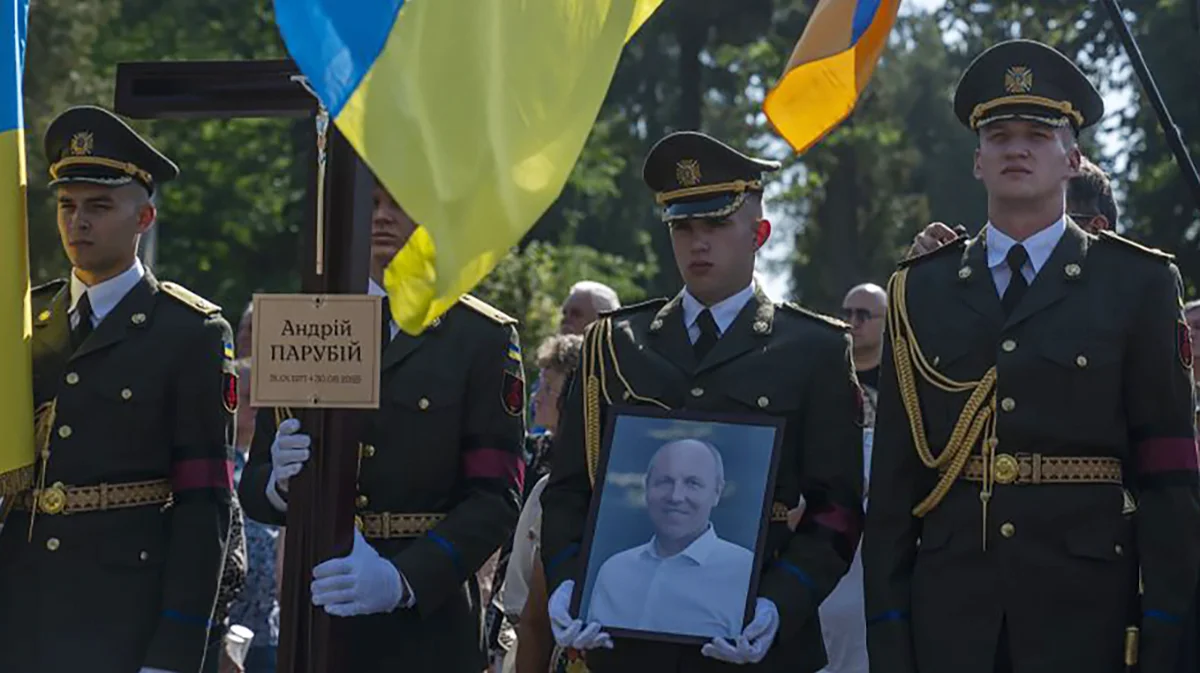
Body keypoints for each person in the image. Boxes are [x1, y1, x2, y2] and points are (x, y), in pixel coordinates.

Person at [863, 39, 1200, 673]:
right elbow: (892, 490)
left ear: (1072, 160)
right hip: (951, 618)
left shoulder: (1137, 284)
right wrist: (888, 631)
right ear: (977, 162)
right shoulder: (919, 289)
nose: (1016, 148)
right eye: (998, 136)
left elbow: (1169, 474)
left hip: (1086, 613)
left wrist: (1165, 629)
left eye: (1038, 135)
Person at [540, 131, 864, 673]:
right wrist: (570, 581)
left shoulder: (815, 349)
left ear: (759, 233)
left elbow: (837, 508)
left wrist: (779, 605)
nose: (698, 243)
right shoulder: (615, 344)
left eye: (716, 225)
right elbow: (570, 489)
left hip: (754, 644)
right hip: (626, 639)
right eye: (683, 227)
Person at [238, 180, 527, 673]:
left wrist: (403, 579)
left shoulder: (480, 337)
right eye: (369, 203)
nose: (381, 217)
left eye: (400, 203)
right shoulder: (301, 322)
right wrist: (279, 484)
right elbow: (254, 485)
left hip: (429, 625)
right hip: (320, 618)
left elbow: (496, 497)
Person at [0, 105, 235, 673]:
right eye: (67, 205)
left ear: (143, 218)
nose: (78, 222)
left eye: (99, 206)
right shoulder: (25, 320)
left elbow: (204, 507)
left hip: (123, 622)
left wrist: (176, 650)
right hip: (22, 618)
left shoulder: (190, 332)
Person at [588, 439, 754, 639]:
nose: (676, 496)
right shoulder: (613, 571)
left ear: (716, 492)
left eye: (692, 483)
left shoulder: (745, 572)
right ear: (647, 487)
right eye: (665, 481)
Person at [840, 283, 887, 427]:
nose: (852, 323)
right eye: (847, 314)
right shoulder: (826, 374)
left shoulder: (901, 380)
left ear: (887, 321)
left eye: (863, 315)